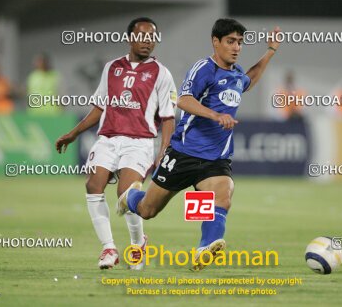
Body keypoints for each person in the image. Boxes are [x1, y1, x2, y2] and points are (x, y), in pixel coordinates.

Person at [117, 18, 281, 270]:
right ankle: (130, 197)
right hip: (184, 152)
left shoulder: (236, 74)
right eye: (230, 41)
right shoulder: (204, 68)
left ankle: (205, 248)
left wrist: (270, 52)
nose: (236, 47)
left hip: (216, 158)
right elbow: (183, 99)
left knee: (222, 196)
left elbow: (249, 79)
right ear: (216, 41)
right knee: (148, 210)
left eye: (240, 42)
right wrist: (216, 115)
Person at [55, 17, 176, 270]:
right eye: (142, 36)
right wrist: (74, 133)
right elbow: (100, 106)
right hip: (108, 138)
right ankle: (108, 248)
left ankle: (137, 244)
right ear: (130, 38)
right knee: (93, 185)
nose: (147, 41)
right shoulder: (111, 68)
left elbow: (167, 118)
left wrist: (163, 151)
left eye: (152, 37)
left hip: (139, 142)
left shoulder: (161, 74)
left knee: (127, 194)